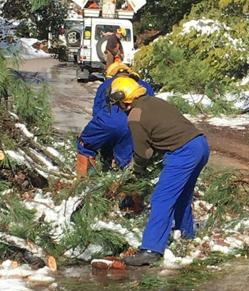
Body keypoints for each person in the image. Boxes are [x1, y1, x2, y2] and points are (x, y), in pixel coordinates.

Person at [109, 76, 210, 266]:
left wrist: (136, 172)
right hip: (201, 145)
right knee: (182, 195)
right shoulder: (154, 101)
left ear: (123, 98)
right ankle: (186, 234)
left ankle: (151, 249)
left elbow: (143, 152)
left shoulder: (135, 115)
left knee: (161, 199)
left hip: (183, 152)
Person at [76, 62, 155, 177]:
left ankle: (83, 181)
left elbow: (98, 111)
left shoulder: (107, 84)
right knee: (126, 160)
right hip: (138, 124)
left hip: (112, 120)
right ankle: (124, 181)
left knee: (85, 145)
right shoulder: (144, 85)